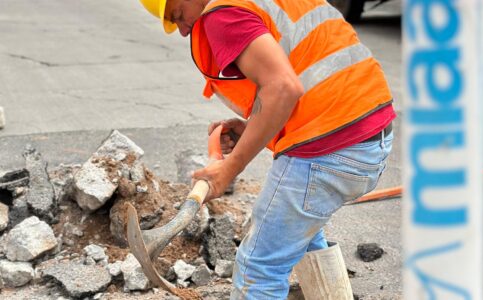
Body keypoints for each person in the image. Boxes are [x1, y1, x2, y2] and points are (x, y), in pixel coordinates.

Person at [139, 0, 396, 298]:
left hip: (329, 149)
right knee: (299, 234)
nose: (183, 31)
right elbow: (310, 73)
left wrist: (227, 170)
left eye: (178, 16)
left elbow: (282, 87)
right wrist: (254, 130)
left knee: (258, 268)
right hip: (371, 137)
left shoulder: (223, 14)